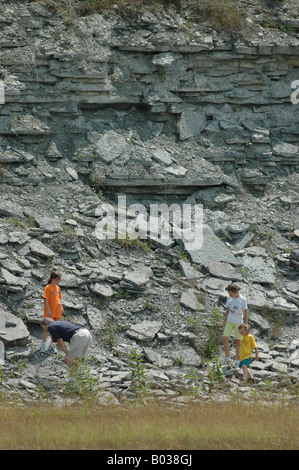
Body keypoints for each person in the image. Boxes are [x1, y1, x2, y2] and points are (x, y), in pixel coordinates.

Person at [222, 284, 248, 366]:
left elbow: (245, 313)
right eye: (229, 294)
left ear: (236, 292)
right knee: (225, 338)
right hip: (229, 321)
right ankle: (227, 358)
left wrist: (246, 325)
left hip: (239, 323)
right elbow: (227, 310)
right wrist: (224, 321)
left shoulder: (243, 300)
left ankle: (237, 360)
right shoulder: (229, 298)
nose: (230, 295)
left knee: (237, 342)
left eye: (231, 293)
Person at [40, 272, 64, 353]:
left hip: (56, 311)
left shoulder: (58, 288)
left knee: (55, 329)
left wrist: (61, 307)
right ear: (53, 279)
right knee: (47, 329)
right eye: (58, 279)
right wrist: (48, 310)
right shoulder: (48, 288)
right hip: (49, 312)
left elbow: (58, 300)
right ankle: (43, 345)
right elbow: (46, 299)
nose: (59, 281)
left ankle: (52, 345)